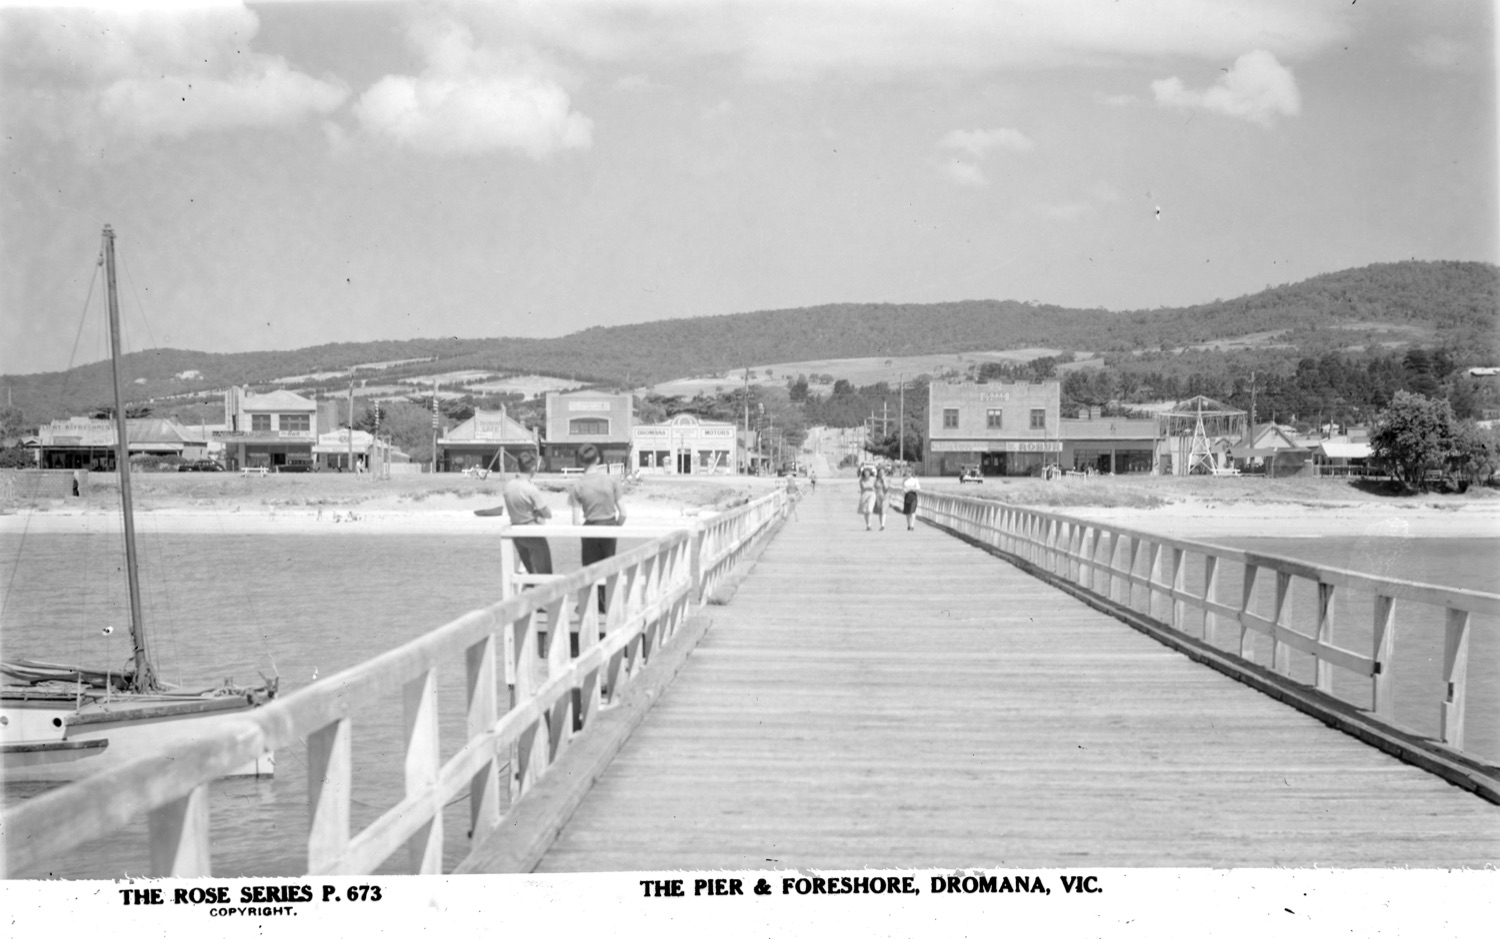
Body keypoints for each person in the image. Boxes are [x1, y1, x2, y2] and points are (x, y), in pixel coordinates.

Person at [569, 444, 626, 612]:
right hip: (609, 527)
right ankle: (608, 604)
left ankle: (588, 604)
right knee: (608, 567)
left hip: (590, 529)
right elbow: (623, 513)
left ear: (580, 461)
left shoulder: (577, 485)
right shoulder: (611, 481)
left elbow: (575, 520)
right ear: (598, 460)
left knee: (589, 568)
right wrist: (616, 525)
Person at [503, 449, 552, 575]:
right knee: (544, 573)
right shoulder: (530, 489)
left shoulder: (508, 487)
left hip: (516, 534)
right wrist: (537, 513)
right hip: (532, 532)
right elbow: (547, 513)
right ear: (533, 468)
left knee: (530, 572)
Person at [857, 465, 877, 530]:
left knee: (869, 509)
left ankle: (869, 524)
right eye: (865, 472)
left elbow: (876, 487)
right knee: (865, 511)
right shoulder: (861, 480)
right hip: (864, 495)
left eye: (868, 472)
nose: (866, 473)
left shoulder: (873, 479)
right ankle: (868, 525)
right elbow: (861, 488)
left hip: (871, 495)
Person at [873, 466, 889, 531]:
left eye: (883, 472)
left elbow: (886, 487)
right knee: (880, 512)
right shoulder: (876, 480)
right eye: (880, 472)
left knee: (883, 510)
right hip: (878, 496)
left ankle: (883, 525)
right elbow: (874, 487)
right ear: (878, 473)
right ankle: (881, 524)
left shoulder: (887, 479)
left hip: (885, 496)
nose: (881, 473)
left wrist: (883, 479)